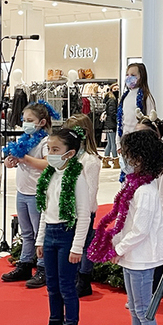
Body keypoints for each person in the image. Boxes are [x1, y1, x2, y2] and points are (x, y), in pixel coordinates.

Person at [88, 129, 163, 325]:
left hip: (142, 256)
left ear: (141, 158)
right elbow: (125, 222)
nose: (123, 158)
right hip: (131, 255)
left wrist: (117, 249)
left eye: (127, 154)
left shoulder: (146, 191)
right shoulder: (132, 185)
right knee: (134, 308)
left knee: (144, 310)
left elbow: (140, 230)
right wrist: (117, 246)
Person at [31, 128, 92, 325]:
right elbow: (45, 210)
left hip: (67, 234)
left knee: (67, 287)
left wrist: (77, 247)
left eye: (56, 149)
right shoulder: (50, 175)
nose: (50, 154)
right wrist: (40, 239)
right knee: (52, 286)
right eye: (49, 149)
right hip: (50, 235)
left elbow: (84, 215)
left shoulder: (77, 178)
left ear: (70, 153)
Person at [1, 102, 53, 288]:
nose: (26, 124)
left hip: (37, 192)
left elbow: (48, 164)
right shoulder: (23, 140)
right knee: (26, 232)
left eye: (30, 120)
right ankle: (25, 263)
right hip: (22, 191)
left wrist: (25, 159)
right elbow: (14, 160)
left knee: (40, 232)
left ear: (42, 122)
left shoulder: (45, 142)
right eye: (24, 120)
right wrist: (10, 161)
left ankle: (43, 267)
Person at [64, 113, 102, 298]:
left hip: (84, 210)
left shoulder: (90, 160)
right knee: (73, 242)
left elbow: (91, 189)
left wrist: (83, 211)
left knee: (85, 244)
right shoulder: (69, 157)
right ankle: (72, 276)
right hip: (69, 209)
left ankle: (84, 278)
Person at [135, 112, 163, 215]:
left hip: (151, 211)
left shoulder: (162, 162)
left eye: (143, 134)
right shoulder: (133, 158)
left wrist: (161, 211)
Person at [118, 63, 156, 148]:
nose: (129, 77)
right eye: (127, 75)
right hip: (125, 140)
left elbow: (150, 121)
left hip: (140, 141)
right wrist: (118, 142)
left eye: (133, 75)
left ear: (141, 77)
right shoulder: (125, 96)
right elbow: (120, 121)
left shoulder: (146, 97)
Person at [102, 84, 120, 168]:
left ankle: (105, 161)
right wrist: (117, 119)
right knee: (113, 143)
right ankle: (116, 161)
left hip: (108, 124)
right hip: (111, 124)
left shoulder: (109, 99)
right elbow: (112, 112)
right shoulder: (112, 100)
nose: (117, 90)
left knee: (109, 143)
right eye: (115, 89)